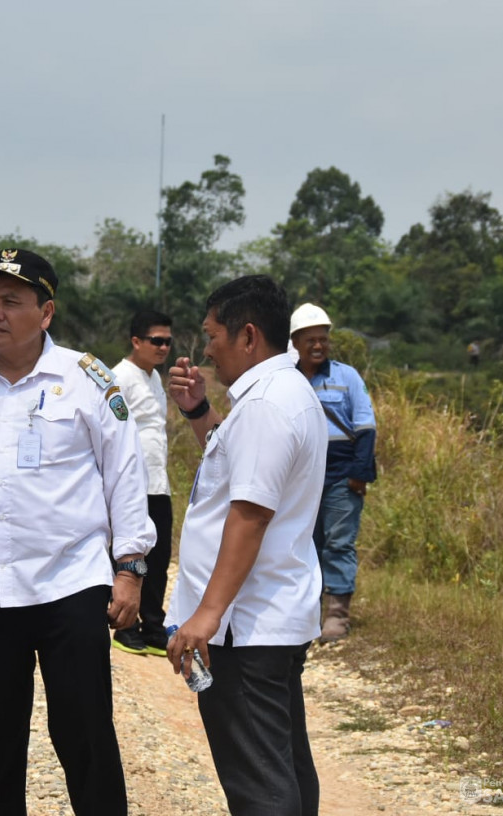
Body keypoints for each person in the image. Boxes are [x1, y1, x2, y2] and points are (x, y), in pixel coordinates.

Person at [0, 248, 156, 816]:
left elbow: (125, 476)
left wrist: (130, 568)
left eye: (11, 302)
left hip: (68, 589)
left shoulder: (86, 381)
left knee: (85, 736)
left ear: (46, 312)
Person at [166, 275, 326, 816]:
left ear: (248, 335)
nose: (206, 348)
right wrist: (198, 412)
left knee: (259, 783)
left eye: (213, 335)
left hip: (244, 627)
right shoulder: (282, 394)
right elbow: (237, 464)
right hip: (269, 616)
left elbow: (250, 514)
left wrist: (206, 617)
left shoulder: (265, 406)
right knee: (284, 766)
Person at [289, 302, 377, 643]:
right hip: (300, 476)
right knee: (304, 544)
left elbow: (366, 426)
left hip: (341, 473)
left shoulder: (347, 376)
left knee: (339, 543)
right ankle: (306, 614)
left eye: (323, 339)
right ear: (295, 342)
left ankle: (337, 616)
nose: (317, 346)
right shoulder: (287, 379)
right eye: (309, 339)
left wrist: (359, 473)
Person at [110, 309, 175, 657]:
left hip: (158, 482)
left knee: (160, 555)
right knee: (130, 558)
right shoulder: (119, 377)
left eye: (167, 341)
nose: (163, 347)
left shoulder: (153, 379)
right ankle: (125, 626)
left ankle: (153, 625)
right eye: (156, 341)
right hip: (132, 484)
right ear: (136, 341)